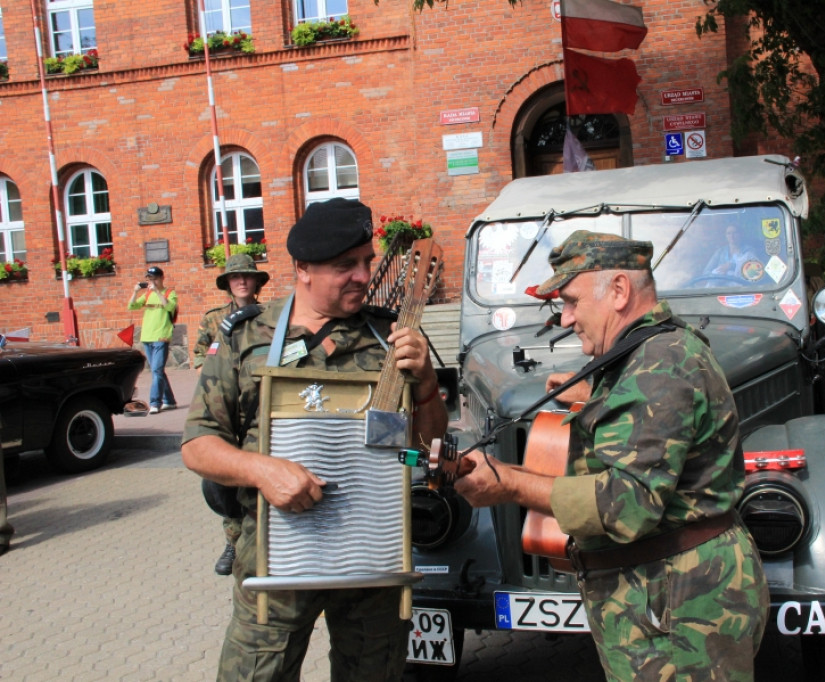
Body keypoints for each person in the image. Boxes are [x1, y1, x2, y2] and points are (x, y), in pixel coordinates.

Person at [454, 230, 768, 681]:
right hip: (664, 597)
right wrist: (598, 398)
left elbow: (628, 504)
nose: (565, 318)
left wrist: (509, 483)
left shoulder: (659, 364)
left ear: (619, 291)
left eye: (572, 301)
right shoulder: (648, 355)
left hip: (682, 608)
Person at [181, 198, 448, 682]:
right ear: (302, 269)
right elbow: (198, 444)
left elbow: (431, 446)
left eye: (367, 262)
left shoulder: (391, 337)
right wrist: (262, 469)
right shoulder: (248, 341)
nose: (363, 277)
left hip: (373, 561)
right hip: (276, 562)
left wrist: (426, 383)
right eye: (345, 266)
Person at [193, 253, 270, 577]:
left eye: (246, 276)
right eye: (234, 277)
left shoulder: (270, 317)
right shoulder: (213, 320)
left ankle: (263, 542)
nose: (241, 281)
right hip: (226, 406)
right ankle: (233, 539)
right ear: (227, 284)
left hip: (259, 404)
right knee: (224, 480)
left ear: (255, 282)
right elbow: (199, 356)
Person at [128, 266, 178, 414]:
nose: (152, 281)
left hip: (161, 336)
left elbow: (170, 307)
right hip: (147, 336)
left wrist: (157, 291)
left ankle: (155, 402)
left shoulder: (170, 293)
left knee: (156, 370)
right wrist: (135, 292)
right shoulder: (147, 294)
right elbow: (132, 306)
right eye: (150, 279)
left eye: (155, 278)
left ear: (162, 278)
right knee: (158, 371)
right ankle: (169, 401)